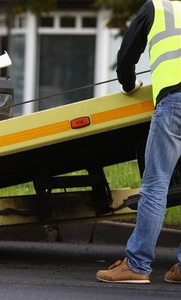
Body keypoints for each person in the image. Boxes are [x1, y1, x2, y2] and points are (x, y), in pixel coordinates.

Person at [96, 0, 181, 284]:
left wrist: (129, 83)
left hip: (176, 102)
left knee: (156, 185)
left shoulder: (158, 7)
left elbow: (127, 54)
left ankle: (137, 265)